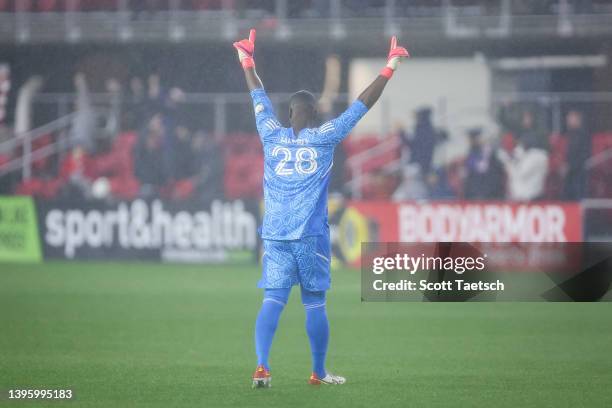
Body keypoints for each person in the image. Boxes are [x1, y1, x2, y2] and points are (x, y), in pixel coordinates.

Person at [234, 28, 409, 387]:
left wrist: (246, 60)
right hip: (310, 236)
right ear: (314, 111)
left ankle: (262, 366)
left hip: (276, 233)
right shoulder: (325, 136)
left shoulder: (270, 132)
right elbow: (363, 104)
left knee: (273, 299)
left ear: (288, 112)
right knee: (314, 304)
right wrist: (390, 66)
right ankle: (318, 371)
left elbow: (257, 94)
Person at [563, 110, 590, 200]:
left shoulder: (583, 136)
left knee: (577, 198)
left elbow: (584, 156)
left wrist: (570, 166)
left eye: (571, 117)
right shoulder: (570, 135)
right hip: (570, 175)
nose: (568, 120)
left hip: (579, 175)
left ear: (578, 119)